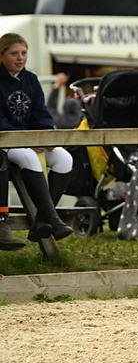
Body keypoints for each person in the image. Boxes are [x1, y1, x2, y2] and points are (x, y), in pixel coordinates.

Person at [0, 33, 75, 241]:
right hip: (6, 141)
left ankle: (41, 221)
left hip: (31, 140)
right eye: (14, 53)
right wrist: (28, 139)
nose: (20, 58)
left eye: (24, 53)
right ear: (1, 56)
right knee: (29, 157)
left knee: (64, 158)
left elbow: (42, 113)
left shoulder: (31, 80)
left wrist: (43, 135)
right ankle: (54, 220)